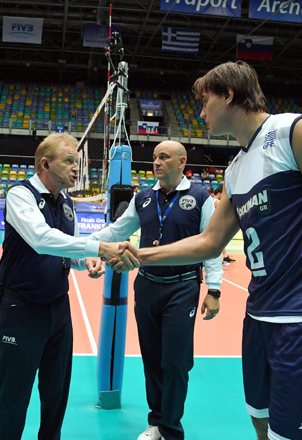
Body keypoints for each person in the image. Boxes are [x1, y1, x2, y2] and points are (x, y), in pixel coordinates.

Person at [119, 61, 302, 440]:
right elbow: (209, 242)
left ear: (229, 95)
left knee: (292, 434)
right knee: (261, 421)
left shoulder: (294, 133)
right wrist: (139, 255)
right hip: (259, 315)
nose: (201, 112)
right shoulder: (236, 169)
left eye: (206, 102)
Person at [0, 132, 137, 440]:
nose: (76, 168)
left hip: (58, 309)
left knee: (56, 395)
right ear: (45, 164)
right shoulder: (20, 195)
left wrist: (84, 263)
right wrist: (98, 249)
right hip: (20, 310)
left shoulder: (67, 202)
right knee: (13, 398)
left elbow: (61, 253)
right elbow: (41, 239)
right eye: (69, 161)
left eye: (77, 161)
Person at [89, 140, 223, 440]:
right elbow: (116, 231)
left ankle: (171, 429)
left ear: (181, 161)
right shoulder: (143, 198)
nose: (157, 162)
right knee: (152, 358)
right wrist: (90, 247)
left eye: (164, 157)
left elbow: (213, 247)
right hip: (147, 286)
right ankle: (156, 421)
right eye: (154, 158)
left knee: (175, 362)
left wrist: (214, 290)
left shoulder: (201, 198)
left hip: (183, 287)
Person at [212, 187, 235, 265]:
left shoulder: (209, 199)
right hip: (215, 225)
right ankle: (219, 259)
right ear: (219, 193)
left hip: (208, 224)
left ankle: (225, 256)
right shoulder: (217, 202)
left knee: (219, 242)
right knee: (218, 242)